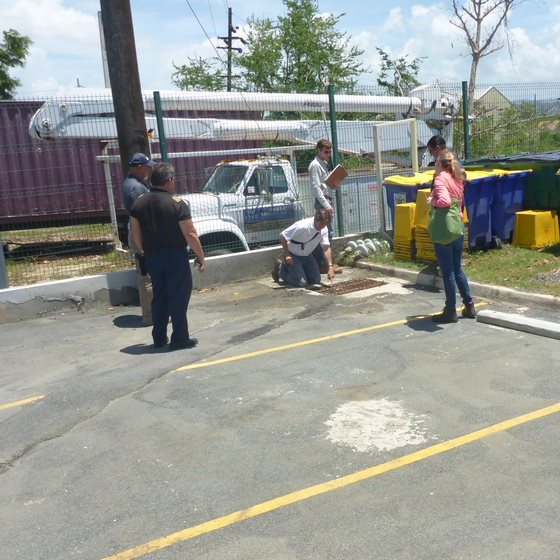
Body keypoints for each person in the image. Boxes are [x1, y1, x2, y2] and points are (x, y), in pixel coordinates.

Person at [130, 162, 206, 350]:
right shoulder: (177, 204)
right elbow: (190, 234)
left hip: (152, 257)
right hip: (175, 256)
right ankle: (179, 338)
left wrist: (143, 251)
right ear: (169, 181)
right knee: (178, 296)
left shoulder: (139, 202)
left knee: (159, 296)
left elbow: (135, 232)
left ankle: (159, 337)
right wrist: (200, 256)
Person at [429, 149, 476, 323]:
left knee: (448, 272)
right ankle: (469, 305)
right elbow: (459, 202)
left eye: (435, 162)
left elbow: (444, 201)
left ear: (441, 163)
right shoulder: (458, 177)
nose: (434, 165)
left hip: (445, 230)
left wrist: (431, 201)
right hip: (458, 227)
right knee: (458, 269)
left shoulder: (441, 179)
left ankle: (450, 310)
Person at [123, 152, 155, 326]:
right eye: (147, 166)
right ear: (139, 167)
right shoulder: (136, 188)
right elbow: (140, 216)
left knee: (146, 275)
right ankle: (151, 316)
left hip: (138, 234)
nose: (149, 170)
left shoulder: (132, 184)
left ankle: (152, 314)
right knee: (147, 276)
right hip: (141, 235)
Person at [308, 139, 343, 274]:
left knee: (326, 233)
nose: (328, 154)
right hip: (323, 203)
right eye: (325, 151)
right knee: (326, 233)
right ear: (318, 150)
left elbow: (326, 184)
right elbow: (316, 189)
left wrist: (335, 183)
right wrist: (327, 205)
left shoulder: (323, 164)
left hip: (327, 200)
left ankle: (325, 264)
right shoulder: (315, 165)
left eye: (329, 152)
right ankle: (326, 265)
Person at [277, 209, 336, 288]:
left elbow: (326, 248)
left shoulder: (324, 228)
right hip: (293, 255)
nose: (322, 227)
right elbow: (282, 236)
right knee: (301, 283)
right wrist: (287, 255)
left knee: (315, 280)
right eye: (321, 224)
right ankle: (281, 270)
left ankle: (300, 272)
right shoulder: (302, 226)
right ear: (316, 219)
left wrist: (330, 266)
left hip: (307, 255)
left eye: (325, 225)